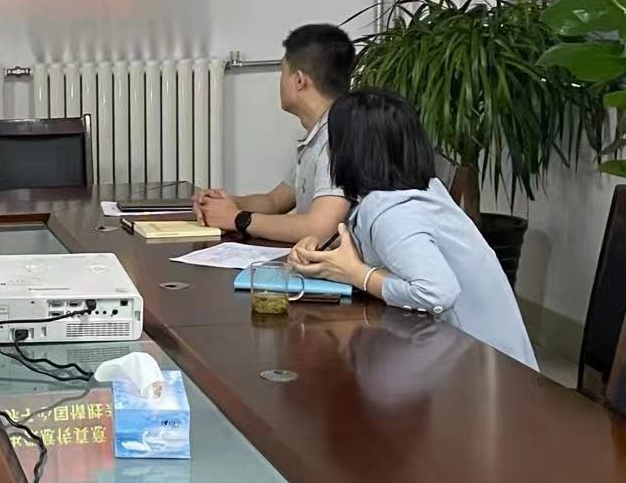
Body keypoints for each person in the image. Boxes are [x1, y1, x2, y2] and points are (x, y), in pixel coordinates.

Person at [288, 88, 538, 370]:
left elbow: (437, 293)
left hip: (486, 372)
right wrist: (330, 255)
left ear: (347, 150)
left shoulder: (394, 212)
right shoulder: (417, 191)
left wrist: (359, 275)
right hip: (479, 358)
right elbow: (396, 253)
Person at [195, 23, 356, 243]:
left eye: (283, 71)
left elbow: (320, 229)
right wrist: (221, 204)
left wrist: (237, 219)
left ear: (299, 80)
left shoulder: (338, 138)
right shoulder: (318, 136)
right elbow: (275, 202)